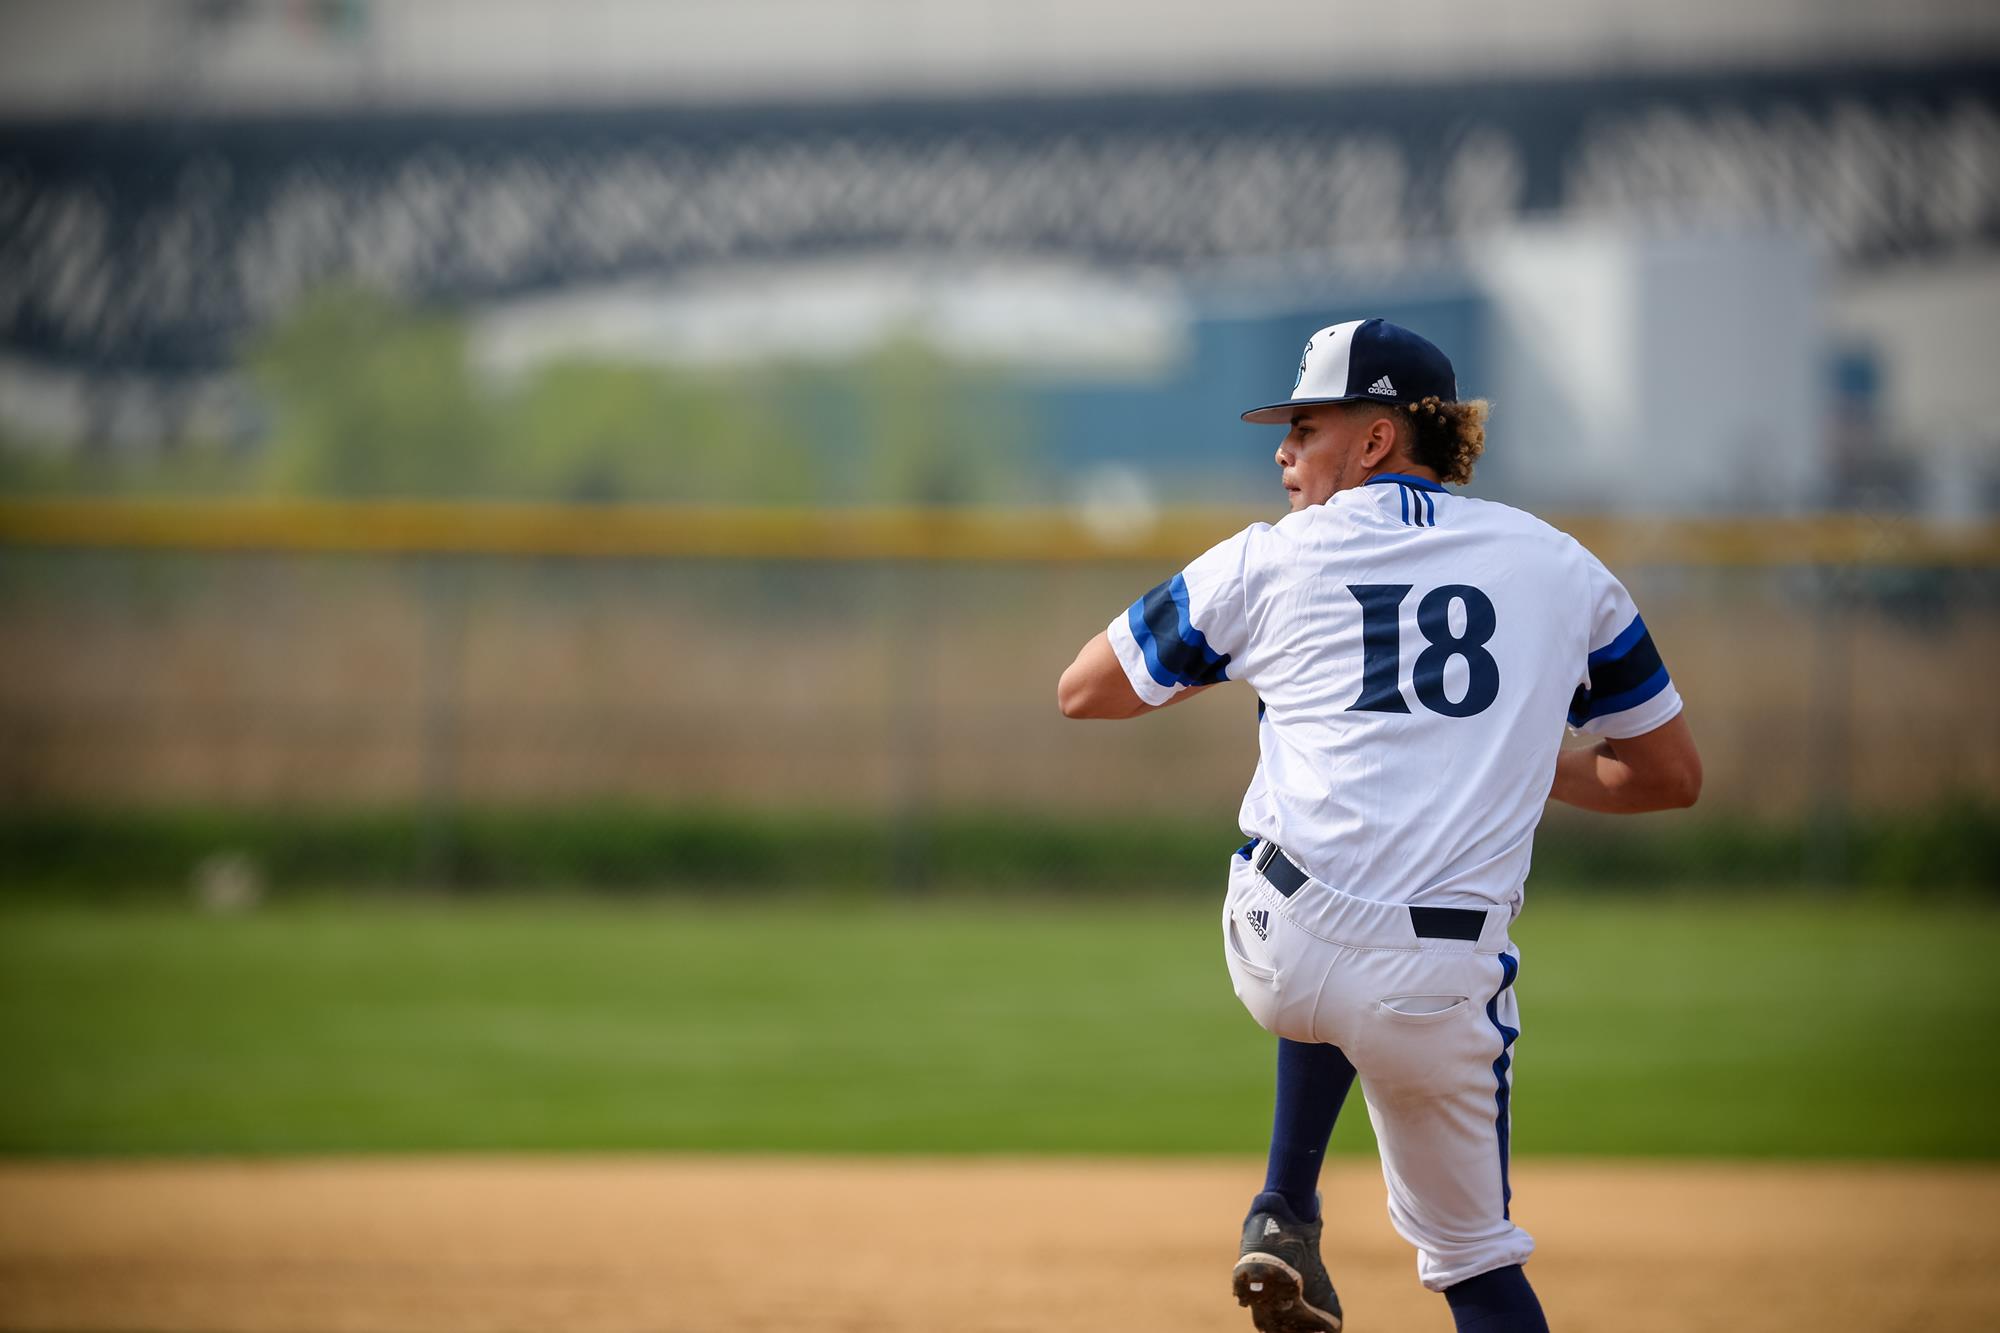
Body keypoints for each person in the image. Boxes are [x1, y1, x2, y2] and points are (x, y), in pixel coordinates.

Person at [1056, 318, 1702, 1333]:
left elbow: (1083, 691)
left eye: (1304, 425)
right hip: (1438, 990)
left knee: (1315, 814)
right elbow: (1666, 775)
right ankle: (1288, 1206)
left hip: (1278, 937)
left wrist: (1242, 664)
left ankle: (1282, 1203)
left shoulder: (1270, 559)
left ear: (1373, 439)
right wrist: (1510, 766)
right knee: (1476, 1265)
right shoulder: (1564, 568)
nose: (1281, 450)